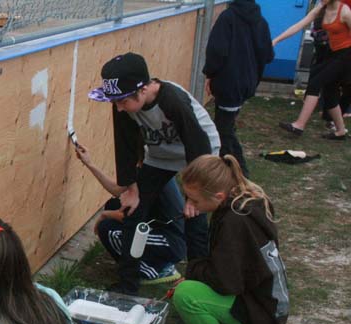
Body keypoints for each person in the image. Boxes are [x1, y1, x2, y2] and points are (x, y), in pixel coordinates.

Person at [88, 52, 220, 295]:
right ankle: (128, 284)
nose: (118, 108)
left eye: (122, 101)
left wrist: (194, 195)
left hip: (199, 155)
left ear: (144, 89)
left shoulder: (173, 101)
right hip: (161, 155)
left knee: (195, 218)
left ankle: (197, 286)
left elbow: (197, 144)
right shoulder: (123, 107)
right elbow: (125, 146)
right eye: (114, 102)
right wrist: (131, 187)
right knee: (133, 211)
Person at [173, 155, 289, 324]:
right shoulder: (246, 201)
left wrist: (192, 274)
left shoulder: (233, 222)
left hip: (263, 312)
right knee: (195, 283)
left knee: (185, 294)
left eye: (194, 200)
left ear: (218, 196)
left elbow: (228, 282)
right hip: (270, 303)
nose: (190, 204)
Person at [74, 143, 185, 284]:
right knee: (114, 204)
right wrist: (89, 163)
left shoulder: (150, 178)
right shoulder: (152, 168)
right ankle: (156, 262)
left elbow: (132, 219)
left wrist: (105, 215)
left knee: (107, 229)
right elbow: (117, 190)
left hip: (171, 242)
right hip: (161, 230)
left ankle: (152, 270)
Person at [203, 0, 274, 176]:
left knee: (223, 131)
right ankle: (233, 170)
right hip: (246, 83)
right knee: (226, 124)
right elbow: (268, 54)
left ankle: (239, 172)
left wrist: (209, 74)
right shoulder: (261, 21)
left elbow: (216, 51)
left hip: (229, 83)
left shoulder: (227, 18)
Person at [274, 0, 351, 139]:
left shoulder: (345, 11)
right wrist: (276, 40)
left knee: (315, 82)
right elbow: (299, 25)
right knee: (330, 91)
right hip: (333, 53)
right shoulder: (321, 9)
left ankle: (299, 125)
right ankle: (340, 131)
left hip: (347, 55)